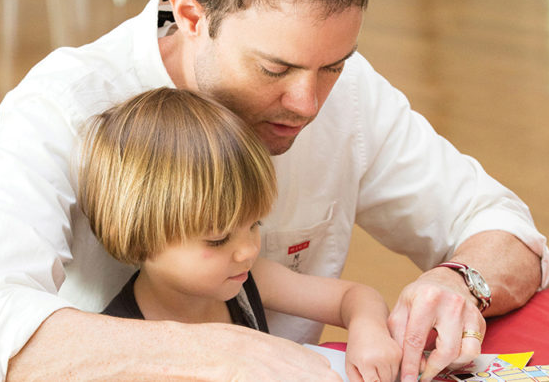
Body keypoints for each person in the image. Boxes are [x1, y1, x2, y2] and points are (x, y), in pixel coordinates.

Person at [0, 0, 549, 381]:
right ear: (190, 15)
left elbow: (503, 228)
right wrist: (224, 354)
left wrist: (459, 281)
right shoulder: (66, 105)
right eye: (275, 69)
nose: (308, 102)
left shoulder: (344, 90)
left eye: (334, 65)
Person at [78, 86, 401, 380]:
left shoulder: (251, 280)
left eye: (254, 225)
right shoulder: (125, 348)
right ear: (141, 238)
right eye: (218, 239)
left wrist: (368, 330)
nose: (248, 250)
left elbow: (353, 297)